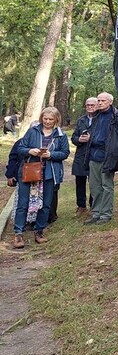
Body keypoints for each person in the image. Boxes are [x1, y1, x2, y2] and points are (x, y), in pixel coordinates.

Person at [12, 107, 70, 248]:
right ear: (41, 118)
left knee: (45, 204)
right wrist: (30, 151)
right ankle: (18, 233)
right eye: (45, 119)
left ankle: (39, 231)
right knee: (23, 203)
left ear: (56, 120)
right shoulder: (33, 131)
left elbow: (65, 153)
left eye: (51, 119)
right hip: (30, 170)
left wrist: (51, 155)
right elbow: (20, 149)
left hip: (49, 172)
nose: (48, 122)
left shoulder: (60, 135)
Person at [85, 92, 118, 225]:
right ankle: (96, 212)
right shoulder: (96, 116)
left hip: (108, 156)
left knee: (107, 185)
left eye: (103, 100)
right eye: (98, 100)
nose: (100, 103)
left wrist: (116, 153)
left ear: (110, 102)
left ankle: (105, 214)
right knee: (94, 186)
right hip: (94, 155)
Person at [71, 97, 97, 217]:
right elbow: (74, 137)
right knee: (80, 181)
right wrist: (79, 139)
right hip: (81, 154)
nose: (90, 107)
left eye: (92, 105)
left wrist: (91, 138)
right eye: (88, 105)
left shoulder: (100, 119)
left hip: (94, 154)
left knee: (94, 181)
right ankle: (81, 205)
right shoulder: (81, 120)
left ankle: (94, 205)